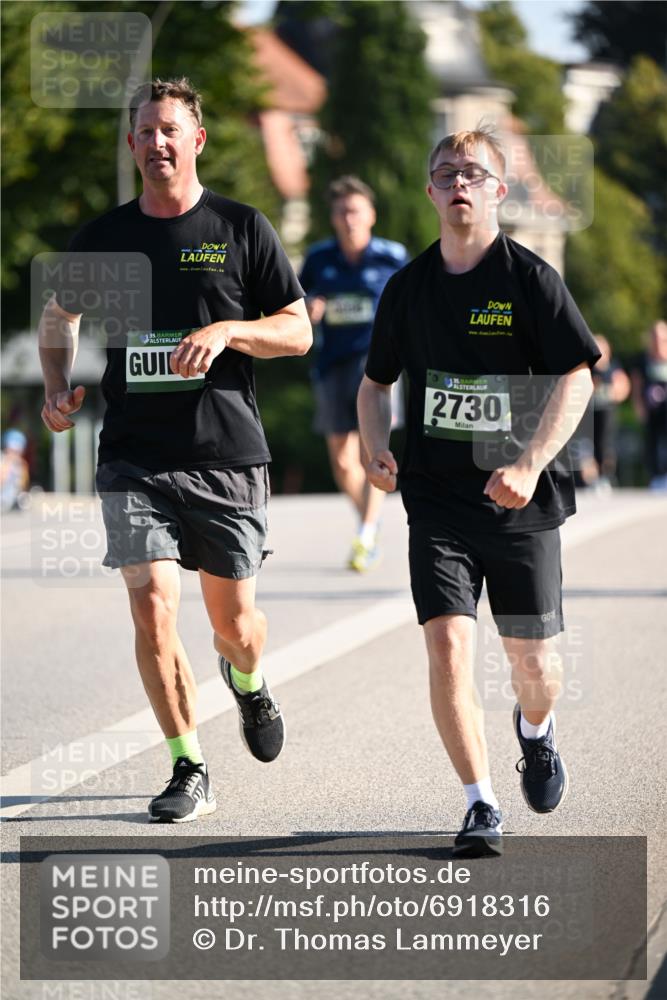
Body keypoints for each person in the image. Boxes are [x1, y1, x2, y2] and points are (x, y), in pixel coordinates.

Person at [38, 78, 311, 822]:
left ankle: (247, 683)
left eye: (170, 130)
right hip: (133, 455)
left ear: (196, 140)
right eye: (145, 131)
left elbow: (296, 328)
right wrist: (56, 384)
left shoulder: (240, 226)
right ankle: (188, 764)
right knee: (153, 606)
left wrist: (229, 332)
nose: (156, 142)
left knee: (236, 629)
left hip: (224, 452)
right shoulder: (104, 239)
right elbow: (57, 316)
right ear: (131, 145)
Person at [358, 125, 601, 857]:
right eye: (444, 173)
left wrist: (527, 463)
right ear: (430, 191)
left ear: (498, 190)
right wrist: (375, 446)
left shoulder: (529, 281)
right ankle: (479, 802)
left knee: (534, 669)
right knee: (448, 651)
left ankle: (535, 730)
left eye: (472, 173)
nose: (457, 183)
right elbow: (375, 385)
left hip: (521, 504)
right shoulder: (406, 289)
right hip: (436, 501)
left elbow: (576, 375)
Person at [299, 176, 408, 571]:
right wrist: (309, 309)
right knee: (343, 463)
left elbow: (413, 302)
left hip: (377, 368)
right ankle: (371, 522)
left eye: (356, 210)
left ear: (371, 215)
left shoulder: (392, 257)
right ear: (333, 217)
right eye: (342, 211)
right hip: (331, 364)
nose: (349, 219)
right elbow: (294, 304)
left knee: (371, 454)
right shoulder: (318, 259)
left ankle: (364, 535)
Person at [588, 334, 631, 491]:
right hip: (592, 413)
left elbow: (623, 386)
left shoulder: (613, 367)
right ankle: (596, 477)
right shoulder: (589, 369)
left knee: (607, 444)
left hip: (608, 412)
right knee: (593, 445)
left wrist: (613, 392)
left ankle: (608, 476)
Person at [631, 320, 667, 490]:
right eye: (655, 336)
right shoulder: (643, 359)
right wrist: (639, 406)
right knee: (653, 443)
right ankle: (656, 477)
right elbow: (636, 385)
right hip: (651, 410)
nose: (658, 340)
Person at [0, 428, 30, 512]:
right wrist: (7, 464)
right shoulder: (2, 460)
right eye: (12, 450)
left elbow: (23, 486)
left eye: (17, 451)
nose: (14, 454)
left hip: (11, 502)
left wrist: (24, 469)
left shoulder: (20, 465)